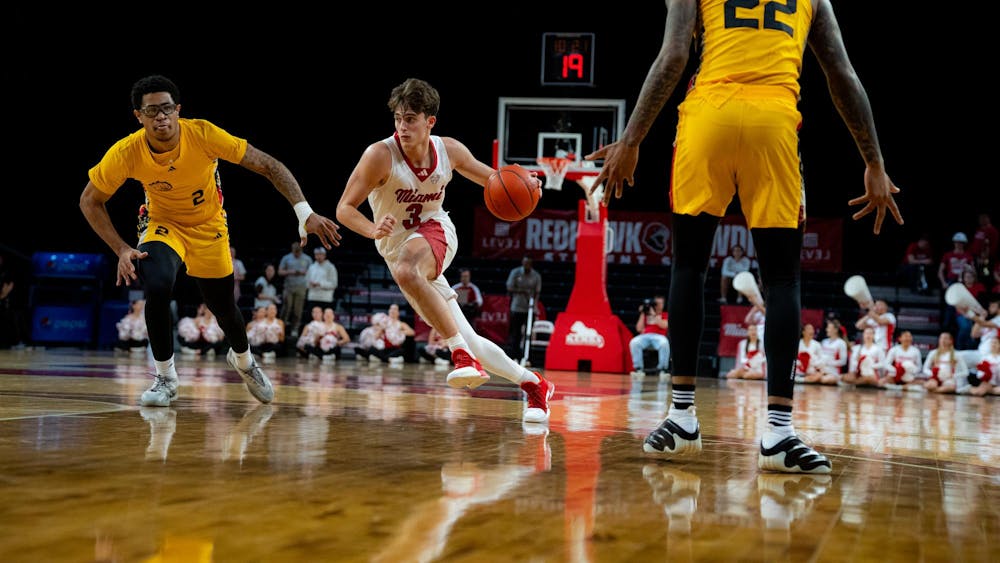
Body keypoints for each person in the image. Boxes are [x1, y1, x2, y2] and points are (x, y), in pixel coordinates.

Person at [585, 0, 903, 473]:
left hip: (706, 119)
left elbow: (672, 56)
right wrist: (874, 162)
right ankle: (778, 432)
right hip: (772, 124)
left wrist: (631, 141)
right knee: (781, 280)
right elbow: (842, 76)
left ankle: (682, 418)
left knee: (689, 267)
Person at [79, 74, 341, 407]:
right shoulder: (127, 152)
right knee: (157, 284)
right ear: (139, 116)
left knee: (225, 310)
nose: (161, 116)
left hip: (209, 225)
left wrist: (305, 212)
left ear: (178, 110)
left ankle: (244, 361)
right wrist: (121, 248)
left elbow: (269, 166)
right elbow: (90, 199)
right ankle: (166, 378)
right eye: (152, 111)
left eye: (167, 109)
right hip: (162, 224)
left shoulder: (203, 134)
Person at [334, 78, 554, 423]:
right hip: (396, 249)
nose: (402, 127)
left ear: (429, 121)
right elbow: (344, 208)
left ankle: (460, 356)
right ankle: (533, 384)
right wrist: (371, 228)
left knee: (411, 271)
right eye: (397, 119)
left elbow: (496, 181)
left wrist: (528, 183)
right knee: (472, 338)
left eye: (410, 119)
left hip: (436, 231)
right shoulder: (379, 155)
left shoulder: (449, 151)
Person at [506, 255, 543, 362]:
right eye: (524, 263)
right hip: (516, 307)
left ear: (531, 264)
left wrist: (534, 305)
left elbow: (537, 292)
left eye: (528, 263)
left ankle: (527, 358)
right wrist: (523, 291)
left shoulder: (536, 276)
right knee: (515, 334)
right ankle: (514, 357)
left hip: (530, 309)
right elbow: (509, 287)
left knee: (528, 334)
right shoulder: (515, 272)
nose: (526, 265)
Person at [629, 295, 671, 378]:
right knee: (634, 342)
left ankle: (662, 369)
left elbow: (665, 325)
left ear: (663, 305)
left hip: (659, 337)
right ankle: (638, 369)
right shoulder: (646, 314)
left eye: (660, 303)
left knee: (664, 343)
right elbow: (639, 328)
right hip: (646, 336)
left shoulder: (665, 314)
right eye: (656, 303)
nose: (658, 305)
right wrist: (642, 313)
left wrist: (654, 315)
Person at [278, 241, 313, 338]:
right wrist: (290, 271)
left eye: (298, 252)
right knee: (286, 308)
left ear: (301, 250)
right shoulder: (286, 258)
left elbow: (312, 271)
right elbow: (280, 271)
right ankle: (282, 327)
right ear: (292, 250)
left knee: (298, 310)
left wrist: (303, 272)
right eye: (295, 252)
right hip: (288, 287)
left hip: (301, 287)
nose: (296, 254)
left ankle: (295, 328)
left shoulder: (307, 259)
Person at [304, 245, 338, 329]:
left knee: (325, 319)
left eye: (320, 254)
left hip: (325, 298)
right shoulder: (312, 267)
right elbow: (306, 282)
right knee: (311, 319)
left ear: (324, 255)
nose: (318, 256)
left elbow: (334, 284)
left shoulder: (330, 267)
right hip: (313, 297)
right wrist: (310, 284)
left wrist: (320, 284)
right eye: (317, 254)